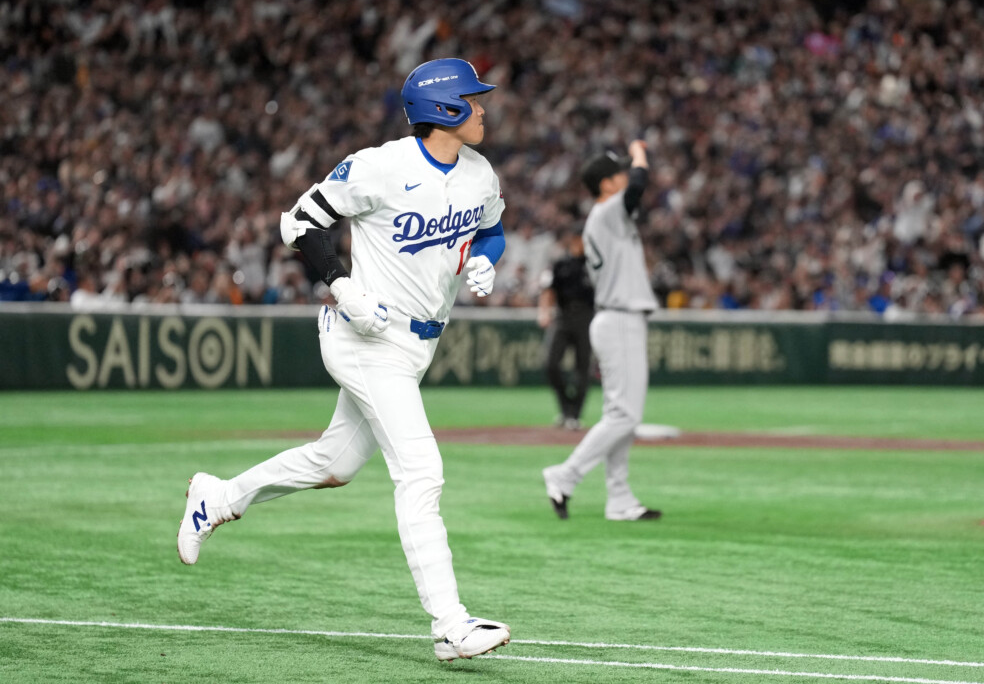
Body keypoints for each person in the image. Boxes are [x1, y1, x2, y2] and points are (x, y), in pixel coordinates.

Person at [175, 58, 511, 662]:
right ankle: (450, 625)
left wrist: (487, 258)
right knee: (421, 471)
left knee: (335, 463)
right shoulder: (382, 165)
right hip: (363, 337)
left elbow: (492, 230)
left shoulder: (479, 173)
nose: (483, 107)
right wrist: (339, 282)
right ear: (445, 109)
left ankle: (218, 497)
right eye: (472, 97)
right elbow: (299, 223)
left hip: (417, 343)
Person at [541, 140, 662, 521]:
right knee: (624, 416)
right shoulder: (608, 211)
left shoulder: (608, 215)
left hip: (619, 318)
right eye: (620, 171)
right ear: (607, 184)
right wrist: (640, 153)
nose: (627, 174)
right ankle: (564, 475)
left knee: (621, 414)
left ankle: (620, 498)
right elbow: (639, 185)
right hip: (618, 318)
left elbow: (635, 191)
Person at [537, 225, 595, 431]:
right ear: (573, 240)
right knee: (550, 364)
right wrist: (544, 312)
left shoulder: (594, 265)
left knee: (582, 368)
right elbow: (548, 289)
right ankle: (565, 408)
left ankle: (574, 415)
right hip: (562, 316)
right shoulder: (560, 263)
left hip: (587, 318)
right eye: (579, 239)